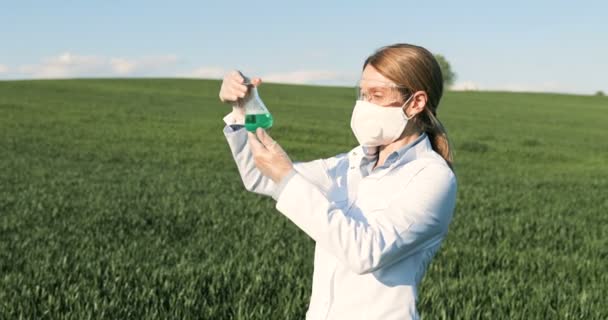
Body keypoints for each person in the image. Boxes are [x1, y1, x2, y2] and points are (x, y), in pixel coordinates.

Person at [219, 43, 457, 320]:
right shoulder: (350, 163)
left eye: (376, 95)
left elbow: (365, 252)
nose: (365, 105)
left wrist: (288, 178)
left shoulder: (433, 178)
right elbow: (260, 176)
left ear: (416, 102)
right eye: (363, 94)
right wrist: (244, 108)